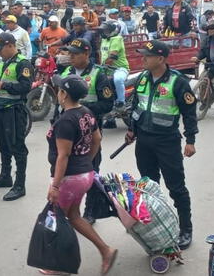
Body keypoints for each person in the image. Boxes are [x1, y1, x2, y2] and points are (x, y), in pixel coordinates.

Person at [126, 40, 198, 250]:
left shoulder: (178, 82)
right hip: (144, 141)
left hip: (167, 142)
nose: (143, 58)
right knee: (148, 185)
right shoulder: (142, 78)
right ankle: (156, 223)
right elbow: (136, 106)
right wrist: (132, 129)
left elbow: (189, 113)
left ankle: (185, 228)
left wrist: (191, 140)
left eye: (147, 56)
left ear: (160, 59)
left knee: (176, 187)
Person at [44, 74, 117, 275]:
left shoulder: (65, 121)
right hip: (84, 175)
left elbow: (63, 156)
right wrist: (86, 162)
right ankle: (105, 250)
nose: (58, 92)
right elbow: (97, 138)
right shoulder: (86, 112)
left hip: (69, 179)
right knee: (74, 216)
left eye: (59, 90)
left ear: (64, 94)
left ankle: (59, 267)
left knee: (57, 219)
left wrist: (56, 186)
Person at [60, 39, 114, 224]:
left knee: (90, 170)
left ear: (87, 54)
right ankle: (69, 209)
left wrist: (80, 110)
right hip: (68, 133)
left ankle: (91, 211)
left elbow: (107, 104)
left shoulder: (99, 74)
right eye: (70, 53)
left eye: (75, 53)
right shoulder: (67, 72)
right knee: (68, 172)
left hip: (89, 131)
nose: (71, 57)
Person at [0, 33, 33, 201]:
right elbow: (3, 80)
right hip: (2, 109)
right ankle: (5, 176)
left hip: (15, 111)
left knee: (17, 146)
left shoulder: (23, 63)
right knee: (2, 144)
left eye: (0, 50)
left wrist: (3, 85)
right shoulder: (5, 62)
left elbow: (25, 87)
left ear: (10, 45)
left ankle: (20, 184)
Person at [100, 21, 129, 110]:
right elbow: (102, 55)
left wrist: (103, 67)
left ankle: (121, 102)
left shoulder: (117, 39)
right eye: (104, 30)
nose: (104, 32)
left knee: (118, 79)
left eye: (106, 30)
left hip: (119, 68)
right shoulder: (104, 39)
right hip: (106, 68)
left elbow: (112, 57)